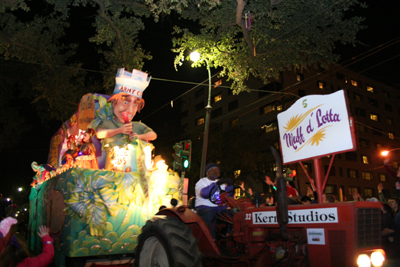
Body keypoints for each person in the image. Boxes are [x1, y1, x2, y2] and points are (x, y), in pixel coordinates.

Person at [93, 68, 157, 171]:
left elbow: (153, 135)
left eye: (135, 104)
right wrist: (120, 130)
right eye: (126, 102)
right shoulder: (107, 123)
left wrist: (138, 136)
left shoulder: (137, 125)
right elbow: (99, 134)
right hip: (112, 173)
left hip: (134, 173)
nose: (130, 110)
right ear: (113, 102)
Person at [195, 163, 234, 240]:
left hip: (218, 208)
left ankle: (231, 235)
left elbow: (229, 195)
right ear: (208, 172)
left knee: (233, 214)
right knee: (210, 214)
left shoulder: (220, 182)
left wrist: (229, 186)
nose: (215, 171)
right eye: (213, 170)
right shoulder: (202, 182)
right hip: (203, 207)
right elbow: (204, 194)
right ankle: (208, 239)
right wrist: (216, 184)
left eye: (217, 170)